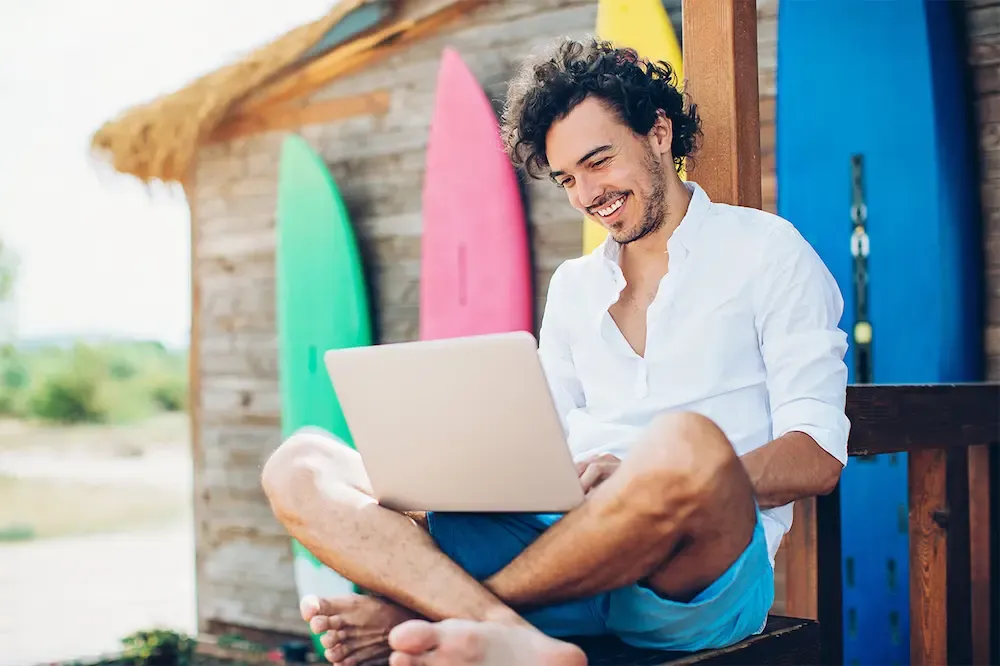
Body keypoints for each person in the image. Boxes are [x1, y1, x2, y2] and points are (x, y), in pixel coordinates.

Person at [262, 36, 850, 666]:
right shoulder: (574, 286)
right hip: (562, 545)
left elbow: (817, 458)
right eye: (568, 178)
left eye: (599, 162)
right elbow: (545, 440)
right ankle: (503, 628)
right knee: (299, 464)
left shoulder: (767, 251)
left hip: (691, 575)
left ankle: (433, 610)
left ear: (657, 133)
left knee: (685, 444)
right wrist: (453, 471)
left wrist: (649, 476)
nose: (586, 195)